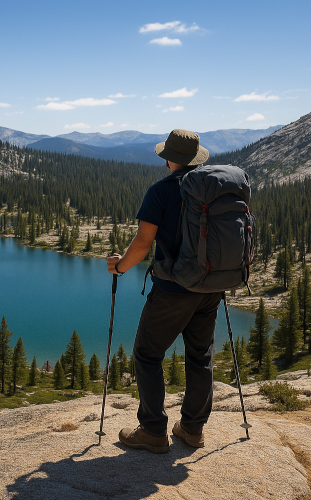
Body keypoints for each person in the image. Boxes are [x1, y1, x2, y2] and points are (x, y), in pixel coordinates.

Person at [106, 129, 219, 454]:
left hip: (173, 290)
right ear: (196, 160)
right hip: (210, 289)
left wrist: (119, 267)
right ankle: (192, 430)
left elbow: (142, 244)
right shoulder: (213, 190)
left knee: (147, 354)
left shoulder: (161, 191)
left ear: (169, 158)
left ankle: (154, 431)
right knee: (200, 357)